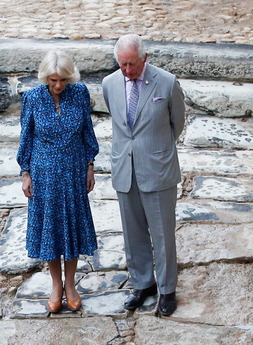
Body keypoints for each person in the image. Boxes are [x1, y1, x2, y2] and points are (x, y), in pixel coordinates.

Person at [101, 34, 186, 316]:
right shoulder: (109, 84)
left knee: (162, 234)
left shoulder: (167, 82)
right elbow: (118, 122)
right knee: (132, 231)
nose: (127, 70)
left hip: (158, 168)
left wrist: (154, 149)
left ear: (145, 58)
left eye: (132, 64)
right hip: (125, 169)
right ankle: (142, 283)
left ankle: (167, 289)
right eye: (123, 65)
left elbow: (178, 123)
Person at [17, 50, 100, 314]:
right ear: (45, 78)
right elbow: (26, 137)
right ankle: (56, 286)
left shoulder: (79, 93)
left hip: (74, 169)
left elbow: (87, 129)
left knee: (72, 226)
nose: (58, 85)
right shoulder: (32, 97)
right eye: (53, 80)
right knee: (51, 229)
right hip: (44, 173)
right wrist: (25, 173)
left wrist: (90, 165)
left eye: (63, 79)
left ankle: (71, 285)